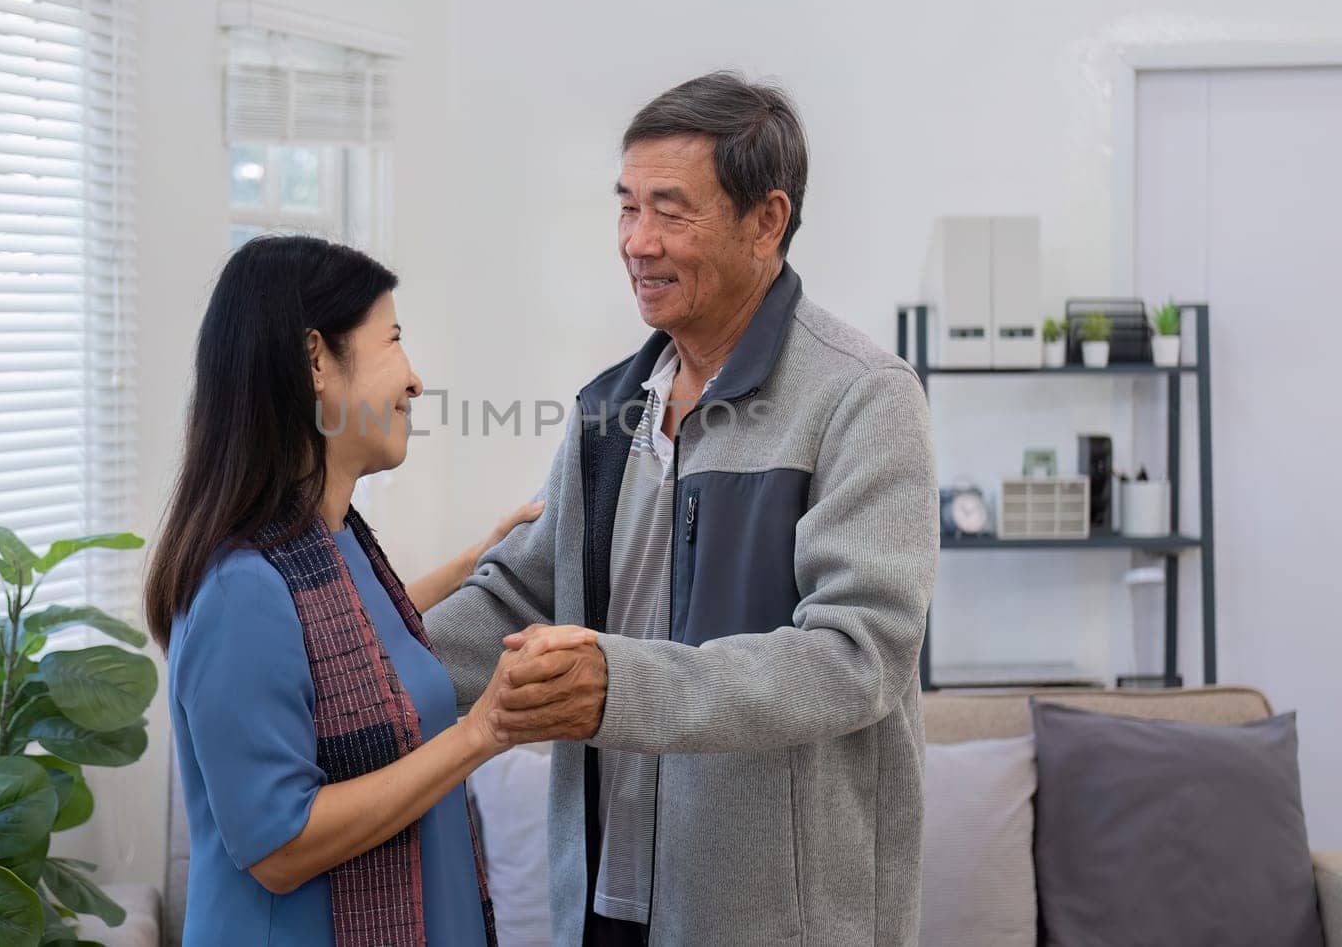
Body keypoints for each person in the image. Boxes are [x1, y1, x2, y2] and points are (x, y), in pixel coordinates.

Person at [426, 72, 940, 946]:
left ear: (767, 220)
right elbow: (518, 599)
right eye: (626, 207)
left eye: (671, 210)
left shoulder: (863, 398)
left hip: (776, 920)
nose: (638, 241)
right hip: (601, 903)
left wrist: (619, 685)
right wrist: (346, 667)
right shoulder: (610, 410)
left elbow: (856, 657)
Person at [143, 234, 587, 946]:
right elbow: (279, 846)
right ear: (315, 360)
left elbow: (344, 643)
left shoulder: (334, 542)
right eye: (394, 342)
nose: (414, 381)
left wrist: (479, 560)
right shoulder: (236, 590)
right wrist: (484, 731)